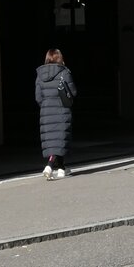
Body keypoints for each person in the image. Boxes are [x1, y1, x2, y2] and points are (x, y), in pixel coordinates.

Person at [35, 48, 77, 180]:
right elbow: (73, 92)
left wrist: (46, 105)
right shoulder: (64, 72)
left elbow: (38, 97)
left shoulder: (39, 74)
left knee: (54, 141)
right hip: (61, 109)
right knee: (59, 140)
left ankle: (61, 169)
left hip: (46, 111)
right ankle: (49, 166)